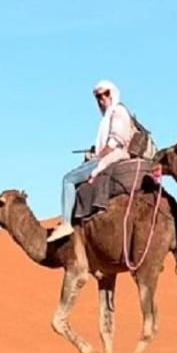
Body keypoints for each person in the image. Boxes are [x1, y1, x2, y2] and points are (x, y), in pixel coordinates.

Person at [47, 79, 133, 242]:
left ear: (112, 93)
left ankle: (66, 223)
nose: (102, 99)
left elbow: (115, 142)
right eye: (98, 97)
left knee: (68, 180)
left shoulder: (118, 111)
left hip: (112, 157)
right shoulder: (109, 116)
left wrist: (97, 157)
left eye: (105, 94)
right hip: (108, 155)